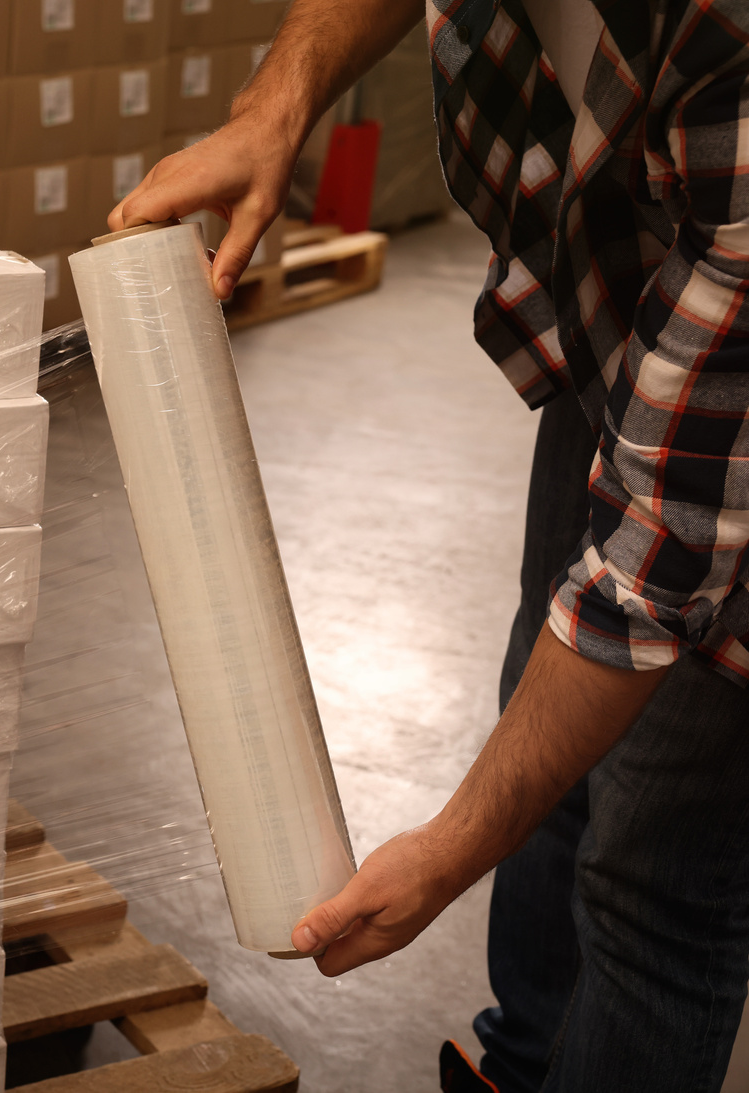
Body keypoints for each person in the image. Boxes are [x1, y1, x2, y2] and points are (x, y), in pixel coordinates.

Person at [109, 0, 749, 1089]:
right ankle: (522, 1058)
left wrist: (450, 849)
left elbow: (654, 561)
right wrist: (276, 106)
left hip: (721, 387)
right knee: (541, 717)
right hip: (624, 298)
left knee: (653, 872)